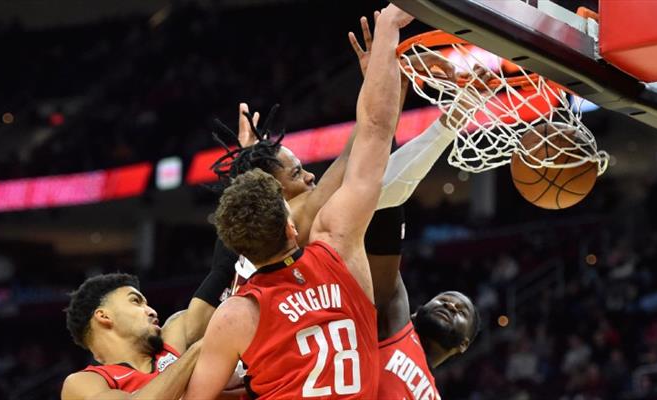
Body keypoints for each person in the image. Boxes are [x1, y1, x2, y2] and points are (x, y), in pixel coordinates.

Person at [184, 5, 415, 398]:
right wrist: (389, 29)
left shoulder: (234, 314)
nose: (309, 178)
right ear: (290, 224)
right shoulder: (338, 240)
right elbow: (376, 129)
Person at [60, 273, 207, 400]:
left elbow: (217, 278)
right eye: (136, 301)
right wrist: (198, 350)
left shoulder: (173, 337)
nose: (152, 311)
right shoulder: (83, 383)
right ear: (104, 316)